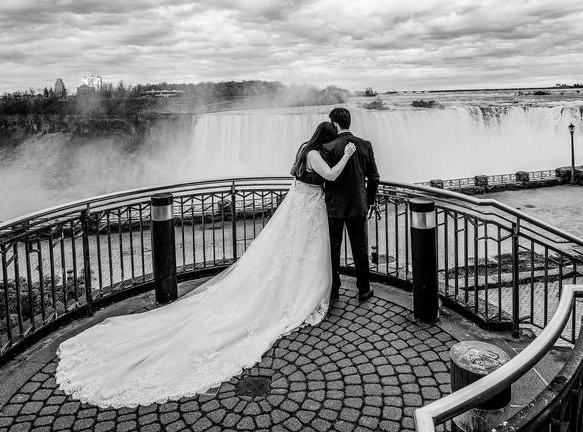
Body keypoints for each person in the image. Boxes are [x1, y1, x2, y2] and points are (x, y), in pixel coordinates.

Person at [55, 121, 356, 408]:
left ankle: (299, 289)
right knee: (296, 255)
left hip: (305, 208)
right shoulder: (317, 154)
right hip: (307, 209)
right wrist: (346, 156)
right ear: (325, 137)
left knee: (295, 256)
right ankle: (297, 296)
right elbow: (329, 176)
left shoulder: (306, 148)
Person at [322, 107, 380, 302]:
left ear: (335, 124)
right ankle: (364, 289)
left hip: (334, 206)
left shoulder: (328, 147)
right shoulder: (365, 145)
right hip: (358, 205)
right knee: (360, 248)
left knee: (333, 250)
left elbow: (324, 177)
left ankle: (334, 291)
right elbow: (374, 177)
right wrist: (369, 200)